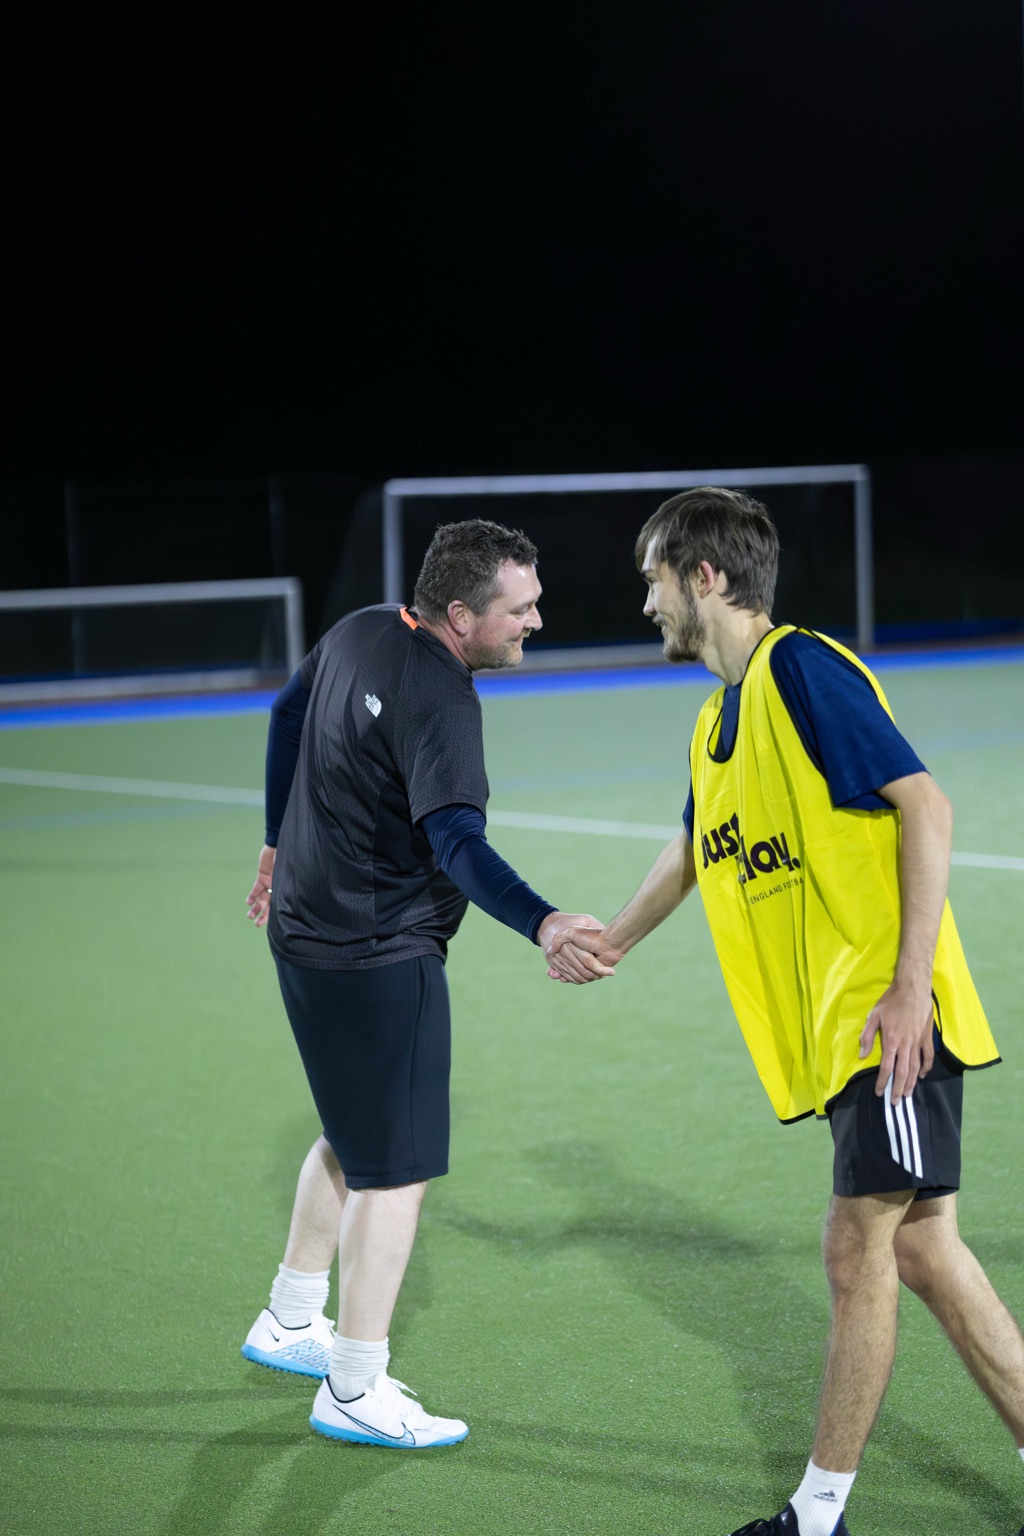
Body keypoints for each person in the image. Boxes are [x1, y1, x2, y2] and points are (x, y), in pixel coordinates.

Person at [549, 487, 1024, 1535]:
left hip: (886, 1024)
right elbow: (694, 846)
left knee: (857, 1250)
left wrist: (909, 988)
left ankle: (817, 1516)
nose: (647, 603)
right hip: (846, 1034)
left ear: (704, 576)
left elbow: (926, 804)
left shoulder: (801, 668)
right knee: (923, 1250)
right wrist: (615, 938)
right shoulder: (716, 721)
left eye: (654, 581)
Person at [241, 518, 612, 1449]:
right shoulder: (442, 697)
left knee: (354, 1127)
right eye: (520, 609)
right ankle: (354, 1385)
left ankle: (290, 1317)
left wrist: (275, 843)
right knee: (397, 1170)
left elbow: (285, 713)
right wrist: (543, 920)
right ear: (460, 614)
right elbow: (457, 842)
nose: (535, 622)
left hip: (301, 932)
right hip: (377, 953)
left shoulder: (362, 627)